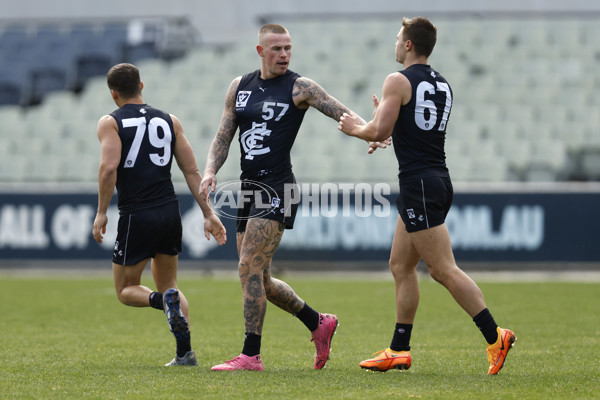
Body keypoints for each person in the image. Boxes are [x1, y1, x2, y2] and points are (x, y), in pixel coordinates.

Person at [200, 23, 384, 371]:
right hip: (249, 187)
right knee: (261, 280)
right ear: (260, 52)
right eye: (277, 49)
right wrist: (210, 170)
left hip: (279, 187)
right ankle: (319, 322)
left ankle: (251, 356)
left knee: (247, 267)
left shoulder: (301, 87)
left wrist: (370, 132)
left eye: (288, 48)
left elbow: (339, 111)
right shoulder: (239, 87)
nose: (284, 54)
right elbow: (223, 135)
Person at [338, 17, 516, 375]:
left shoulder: (397, 80)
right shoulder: (443, 84)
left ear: (407, 45)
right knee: (401, 265)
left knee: (442, 270)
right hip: (435, 178)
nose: (395, 42)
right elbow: (408, 130)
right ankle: (399, 349)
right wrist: (380, 129)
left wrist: (357, 128)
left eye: (397, 37)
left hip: (419, 184)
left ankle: (495, 335)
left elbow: (383, 128)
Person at [92, 63, 227, 367]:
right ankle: (185, 353)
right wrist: (208, 213)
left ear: (113, 93)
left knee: (126, 289)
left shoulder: (110, 122)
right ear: (142, 86)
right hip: (169, 211)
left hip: (135, 214)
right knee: (171, 284)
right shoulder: (170, 121)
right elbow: (192, 171)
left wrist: (101, 212)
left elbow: (109, 167)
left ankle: (161, 303)